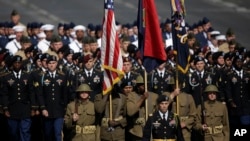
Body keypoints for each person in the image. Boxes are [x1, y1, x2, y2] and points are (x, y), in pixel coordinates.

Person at [2, 55, 36, 141]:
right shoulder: (6, 77)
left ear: (21, 64)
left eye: (19, 62)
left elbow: (31, 92)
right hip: (12, 109)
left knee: (25, 131)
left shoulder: (27, 76)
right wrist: (5, 108)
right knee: (13, 132)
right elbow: (4, 94)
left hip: (25, 108)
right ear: (12, 64)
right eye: (15, 63)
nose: (17, 64)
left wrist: (33, 108)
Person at [36, 55, 68, 141]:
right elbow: (40, 94)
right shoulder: (42, 77)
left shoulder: (62, 76)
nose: (51, 65)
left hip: (59, 110)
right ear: (46, 64)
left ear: (57, 63)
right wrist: (43, 108)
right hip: (47, 110)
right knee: (48, 134)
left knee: (58, 133)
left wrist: (65, 109)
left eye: (53, 63)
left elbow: (65, 94)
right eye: (49, 63)